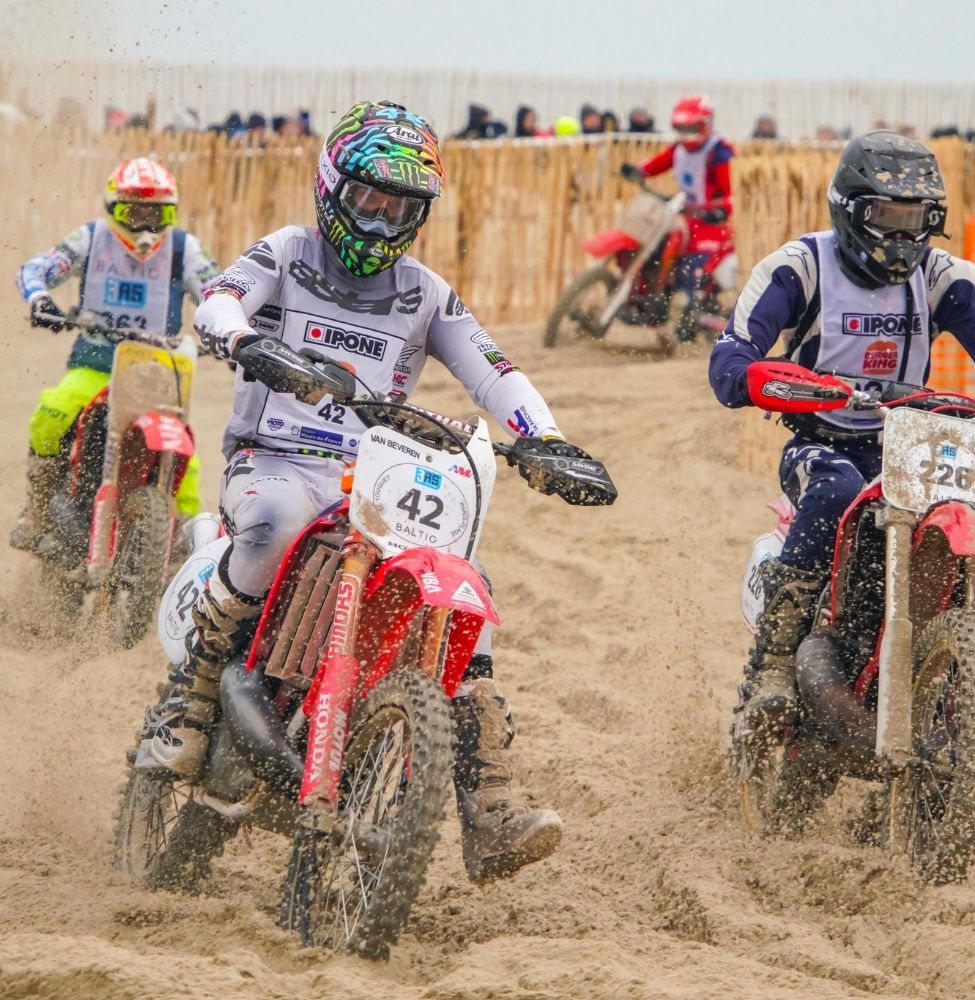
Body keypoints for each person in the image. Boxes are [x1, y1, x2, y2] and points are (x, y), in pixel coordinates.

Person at [140, 100, 607, 884]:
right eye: (369, 198)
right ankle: (189, 697)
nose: (383, 217)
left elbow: (494, 370)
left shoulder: (425, 292)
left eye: (401, 206)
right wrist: (253, 344)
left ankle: (488, 799)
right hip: (277, 461)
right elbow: (217, 299)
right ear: (332, 187)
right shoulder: (287, 253)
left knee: (470, 589)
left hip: (376, 479)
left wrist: (545, 439)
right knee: (281, 523)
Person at [708, 130, 975, 730]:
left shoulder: (945, 276)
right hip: (823, 443)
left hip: (914, 448)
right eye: (887, 218)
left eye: (916, 219)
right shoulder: (799, 267)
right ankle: (776, 661)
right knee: (837, 486)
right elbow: (730, 360)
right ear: (849, 210)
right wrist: (767, 378)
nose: (903, 237)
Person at [13, 157, 219, 554]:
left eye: (157, 214)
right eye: (134, 212)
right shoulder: (90, 239)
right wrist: (40, 299)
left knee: (184, 455)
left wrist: (230, 332)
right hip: (95, 363)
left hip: (159, 372)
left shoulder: (184, 249)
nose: (145, 226)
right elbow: (36, 268)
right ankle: (38, 511)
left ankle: (180, 541)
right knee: (51, 413)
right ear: (113, 210)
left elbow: (220, 291)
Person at [619, 93, 735, 339]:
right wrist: (638, 170)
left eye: (692, 128)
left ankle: (689, 315)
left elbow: (728, 193)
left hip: (709, 224)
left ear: (705, 124)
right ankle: (647, 297)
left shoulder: (719, 152)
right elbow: (656, 164)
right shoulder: (679, 150)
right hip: (684, 216)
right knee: (657, 248)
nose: (686, 135)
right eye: (681, 129)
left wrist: (720, 207)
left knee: (691, 270)